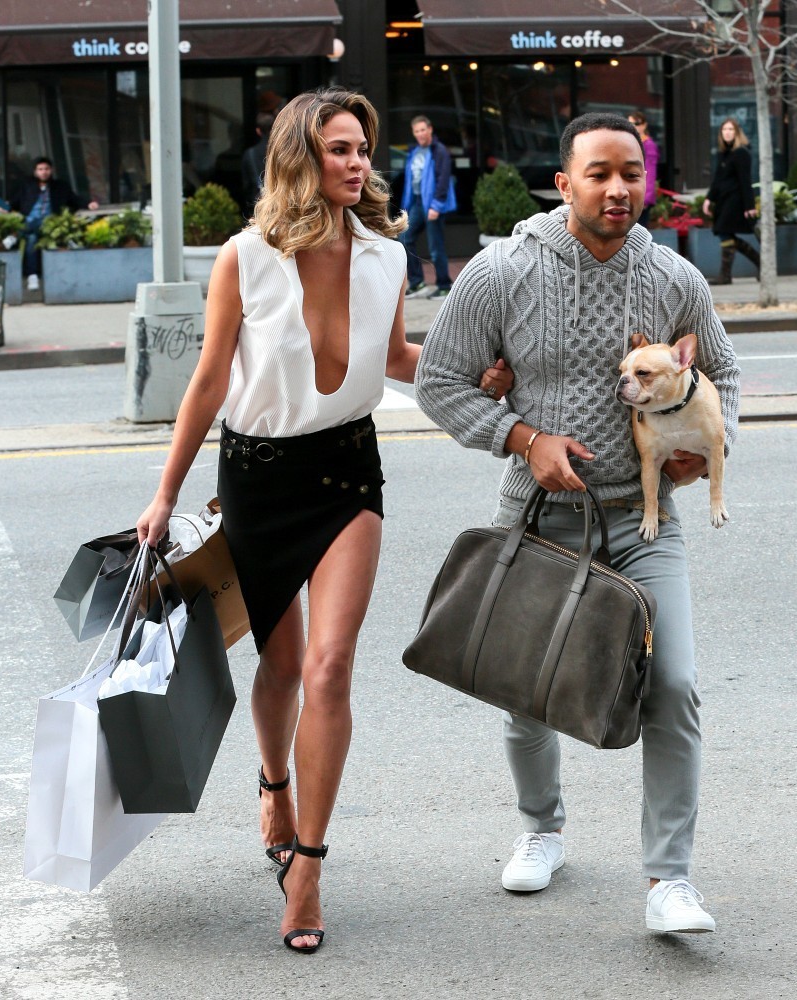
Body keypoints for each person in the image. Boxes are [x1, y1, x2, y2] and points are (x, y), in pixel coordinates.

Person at [136, 88, 511, 954]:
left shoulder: (385, 254)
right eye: (339, 149)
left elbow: (396, 357)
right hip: (258, 477)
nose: (357, 163)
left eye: (362, 149)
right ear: (299, 158)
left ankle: (307, 865)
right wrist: (163, 493)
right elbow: (208, 380)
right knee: (280, 667)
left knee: (330, 667)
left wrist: (473, 377)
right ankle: (273, 783)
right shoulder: (244, 257)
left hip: (347, 472)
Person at [415, 112, 740, 934]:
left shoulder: (675, 279)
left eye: (630, 172)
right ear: (563, 184)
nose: (617, 188)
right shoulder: (500, 271)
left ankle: (669, 880)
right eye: (598, 173)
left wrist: (704, 449)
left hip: (640, 519)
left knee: (672, 685)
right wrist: (523, 438)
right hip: (534, 517)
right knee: (527, 690)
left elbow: (724, 374)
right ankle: (540, 828)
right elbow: (439, 381)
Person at [8, 156, 98, 291]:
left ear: (51, 170)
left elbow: (74, 199)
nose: (44, 172)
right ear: (35, 171)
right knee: (32, 239)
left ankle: (16, 236)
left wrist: (88, 203)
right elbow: (14, 202)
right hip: (30, 223)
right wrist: (4, 207)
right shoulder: (27, 186)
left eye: (46, 169)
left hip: (50, 224)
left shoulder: (60, 186)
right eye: (40, 169)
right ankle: (33, 276)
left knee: (36, 226)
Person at [399, 115, 454, 299]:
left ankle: (444, 286)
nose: (420, 134)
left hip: (432, 204)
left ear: (430, 129)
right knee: (404, 238)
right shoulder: (414, 152)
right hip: (417, 202)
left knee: (435, 248)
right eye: (416, 131)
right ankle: (417, 283)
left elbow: (443, 180)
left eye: (423, 129)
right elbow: (410, 181)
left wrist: (436, 206)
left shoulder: (440, 151)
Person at [703, 117, 759, 284]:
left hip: (735, 200)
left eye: (730, 129)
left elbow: (745, 180)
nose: (727, 133)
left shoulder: (741, 153)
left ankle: (726, 275)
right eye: (724, 129)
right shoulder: (724, 154)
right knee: (725, 233)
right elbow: (718, 179)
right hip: (723, 200)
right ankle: (757, 264)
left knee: (723, 231)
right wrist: (709, 198)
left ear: (737, 132)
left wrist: (749, 205)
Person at [240, 111, 276, 214]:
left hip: (258, 206)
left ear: (258, 131)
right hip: (280, 205)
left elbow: (246, 186)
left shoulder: (250, 154)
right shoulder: (282, 151)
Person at [627, 111, 658, 227]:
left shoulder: (648, 145)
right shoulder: (630, 142)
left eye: (637, 123)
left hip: (641, 196)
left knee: (638, 230)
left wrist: (646, 198)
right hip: (629, 194)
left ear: (644, 125)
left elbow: (650, 172)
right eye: (630, 124)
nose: (633, 127)